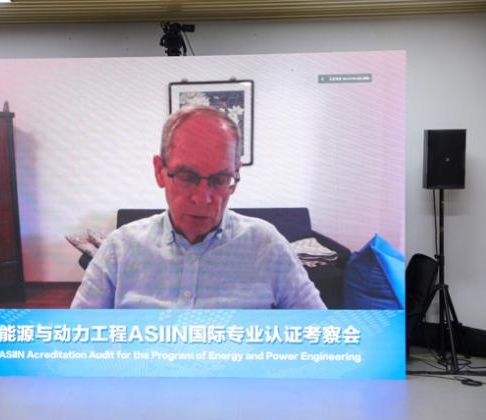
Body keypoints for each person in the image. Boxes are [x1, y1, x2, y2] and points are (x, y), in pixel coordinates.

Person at [71, 105, 326, 309]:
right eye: (186, 176)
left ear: (235, 177)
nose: (202, 198)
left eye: (220, 179)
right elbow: (78, 339)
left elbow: (319, 335)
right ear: (160, 171)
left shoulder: (267, 247)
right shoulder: (119, 249)